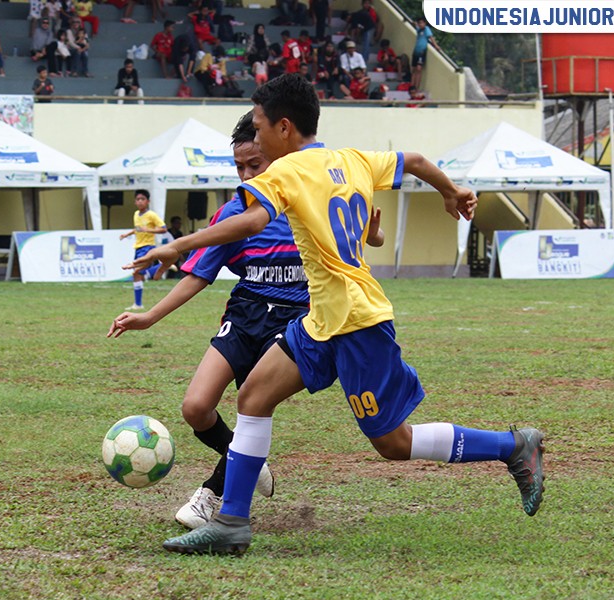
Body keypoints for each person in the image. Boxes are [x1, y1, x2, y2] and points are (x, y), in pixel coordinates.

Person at [127, 72, 546, 556]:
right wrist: (450, 192)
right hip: (320, 319)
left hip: (356, 320)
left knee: (391, 442)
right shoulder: (352, 159)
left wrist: (178, 243)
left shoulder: (285, 171)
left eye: (259, 127)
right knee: (254, 398)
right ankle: (231, 523)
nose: (256, 136)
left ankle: (513, 446)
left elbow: (250, 220)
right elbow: (413, 160)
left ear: (284, 128)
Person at [109, 112, 334, 527]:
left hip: (294, 322)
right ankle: (249, 461)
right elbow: (199, 274)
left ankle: (210, 495)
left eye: (256, 165)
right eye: (240, 167)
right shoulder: (233, 212)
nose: (247, 175)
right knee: (196, 407)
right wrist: (150, 316)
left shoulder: (309, 203)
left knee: (252, 402)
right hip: (245, 314)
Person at [118, 189, 166, 310]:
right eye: (138, 199)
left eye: (142, 199)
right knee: (138, 275)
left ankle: (163, 266)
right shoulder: (136, 214)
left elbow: (163, 229)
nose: (140, 202)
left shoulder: (151, 215)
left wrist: (148, 230)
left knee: (137, 272)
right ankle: (138, 304)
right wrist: (127, 235)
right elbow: (137, 229)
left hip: (148, 247)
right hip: (138, 247)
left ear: (148, 201)